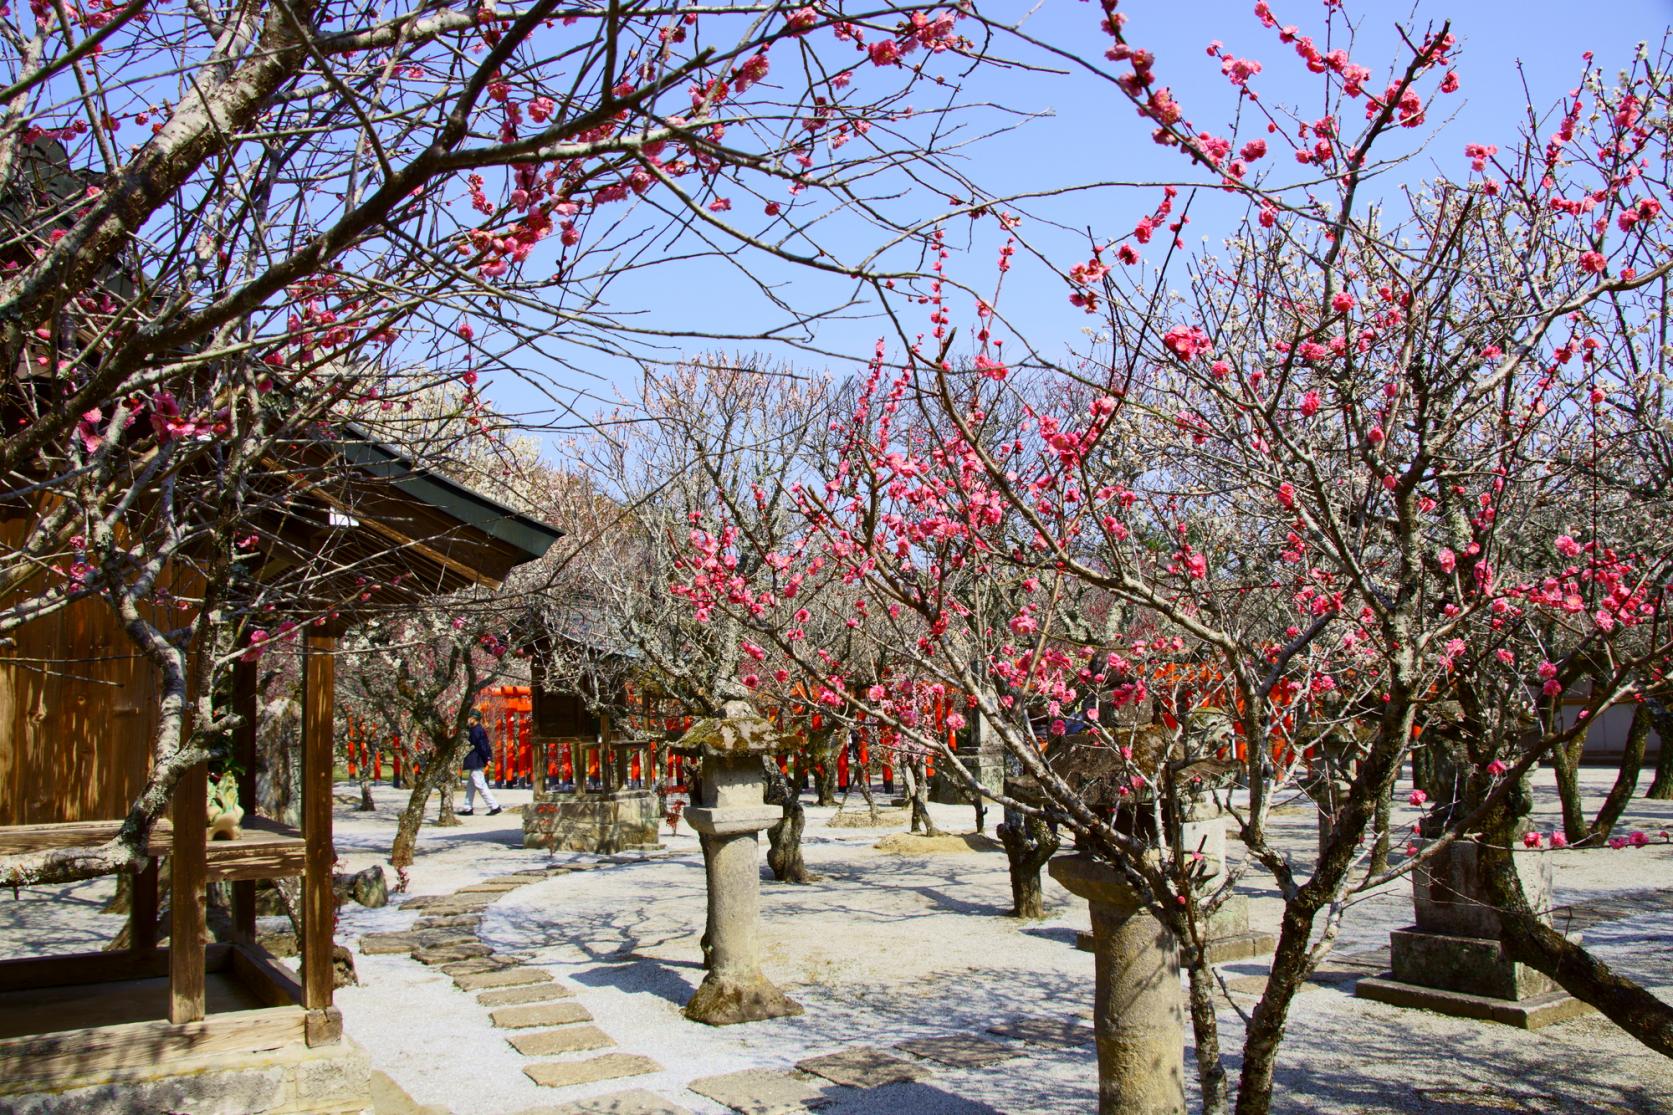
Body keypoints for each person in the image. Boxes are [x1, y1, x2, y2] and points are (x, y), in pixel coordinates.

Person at [460, 709, 502, 816]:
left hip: (477, 760)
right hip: (474, 759)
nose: (468, 719)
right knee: (471, 785)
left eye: (470, 717)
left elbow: (483, 746)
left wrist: (488, 758)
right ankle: (467, 807)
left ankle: (494, 806)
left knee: (480, 784)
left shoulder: (477, 730)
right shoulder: (473, 729)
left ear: (474, 718)